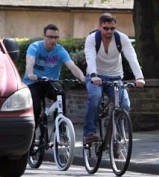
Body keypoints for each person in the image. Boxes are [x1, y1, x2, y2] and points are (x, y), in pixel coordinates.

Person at [83, 13, 145, 144]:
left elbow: (132, 57)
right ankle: (89, 133)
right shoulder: (92, 39)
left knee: (124, 105)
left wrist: (139, 77)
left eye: (112, 28)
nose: (109, 31)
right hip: (96, 77)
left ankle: (116, 135)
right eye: (106, 28)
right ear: (99, 27)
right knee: (95, 97)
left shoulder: (121, 38)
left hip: (115, 77)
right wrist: (93, 75)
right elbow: (90, 57)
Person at [23, 24, 85, 125]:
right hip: (33, 82)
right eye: (50, 37)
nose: (53, 40)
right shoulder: (34, 47)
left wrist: (82, 77)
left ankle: (60, 128)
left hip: (50, 82)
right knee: (36, 109)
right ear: (44, 36)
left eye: (56, 37)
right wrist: (30, 73)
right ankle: (33, 136)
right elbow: (30, 62)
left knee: (60, 92)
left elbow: (72, 66)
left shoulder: (60, 51)